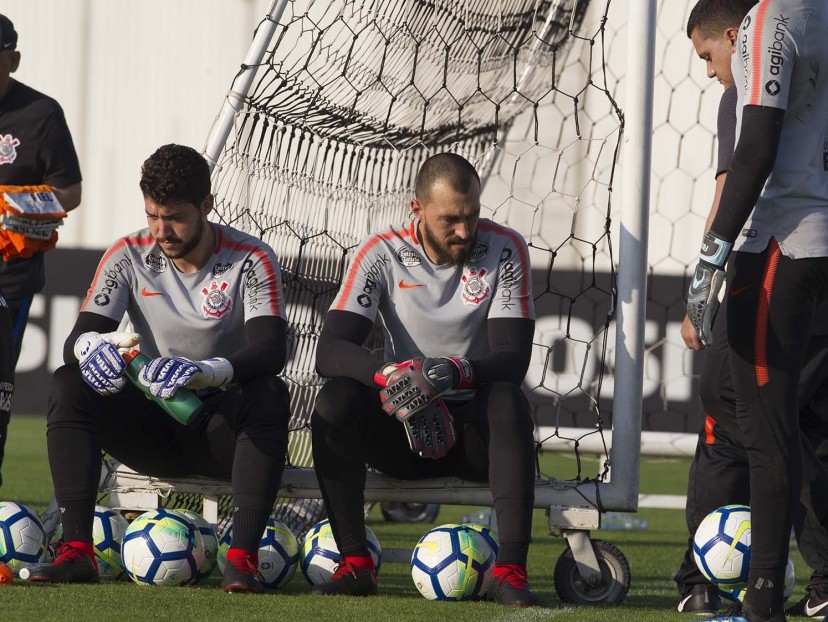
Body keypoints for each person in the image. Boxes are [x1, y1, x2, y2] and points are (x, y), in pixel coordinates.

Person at [683, 2, 828, 621]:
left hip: (779, 241)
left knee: (760, 431)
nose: (707, 72)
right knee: (789, 432)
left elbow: (754, 150)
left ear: (726, 35)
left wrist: (710, 261)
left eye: (705, 57)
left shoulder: (768, 20)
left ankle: (765, 600)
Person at [27, 144, 289, 594]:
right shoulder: (128, 254)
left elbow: (270, 350)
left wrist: (203, 372)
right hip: (150, 429)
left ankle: (242, 561)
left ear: (207, 206)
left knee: (270, 391)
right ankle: (75, 552)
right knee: (69, 380)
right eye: (152, 215)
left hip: (219, 431)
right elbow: (78, 340)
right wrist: (94, 348)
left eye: (175, 217)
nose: (162, 230)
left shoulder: (251, 256)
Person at [310, 152, 538, 606]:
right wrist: (393, 376)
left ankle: (510, 571)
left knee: (508, 399)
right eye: (450, 219)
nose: (464, 231)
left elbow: (512, 359)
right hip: (404, 432)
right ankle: (355, 562)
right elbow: (330, 351)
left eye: (472, 216)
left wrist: (454, 370)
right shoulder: (381, 253)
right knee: (335, 400)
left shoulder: (505, 247)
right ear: (417, 210)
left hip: (475, 437)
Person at [0, 13, 83, 487]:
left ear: (12, 59)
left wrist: (15, 208)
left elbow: (69, 191)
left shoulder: (40, 114)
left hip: (10, 272)